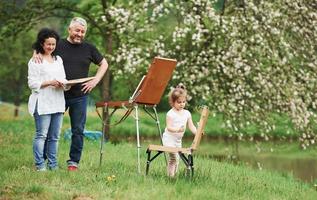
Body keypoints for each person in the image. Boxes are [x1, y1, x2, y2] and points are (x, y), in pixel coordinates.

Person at [33, 17, 109, 171]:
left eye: (82, 31)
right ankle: (45, 161)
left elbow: (104, 63)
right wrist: (36, 52)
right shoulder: (58, 44)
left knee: (78, 130)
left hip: (79, 96)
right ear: (69, 30)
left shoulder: (89, 48)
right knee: (49, 131)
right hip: (57, 94)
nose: (79, 34)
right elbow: (42, 46)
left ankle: (73, 162)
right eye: (77, 30)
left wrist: (95, 81)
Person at [28, 28, 69, 171]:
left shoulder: (58, 60)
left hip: (58, 103)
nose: (51, 47)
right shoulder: (35, 60)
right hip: (42, 104)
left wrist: (63, 84)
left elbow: (63, 78)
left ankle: (53, 165)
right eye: (48, 44)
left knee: (55, 137)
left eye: (53, 44)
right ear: (41, 43)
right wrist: (49, 82)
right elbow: (32, 84)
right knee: (41, 135)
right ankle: (40, 165)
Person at [162, 84, 197, 177]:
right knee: (173, 158)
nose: (182, 104)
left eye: (183, 102)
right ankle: (171, 177)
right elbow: (169, 127)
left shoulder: (187, 113)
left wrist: (197, 132)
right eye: (179, 102)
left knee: (177, 159)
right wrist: (178, 129)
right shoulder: (170, 114)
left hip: (178, 141)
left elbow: (191, 126)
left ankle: (173, 175)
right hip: (169, 139)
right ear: (173, 102)